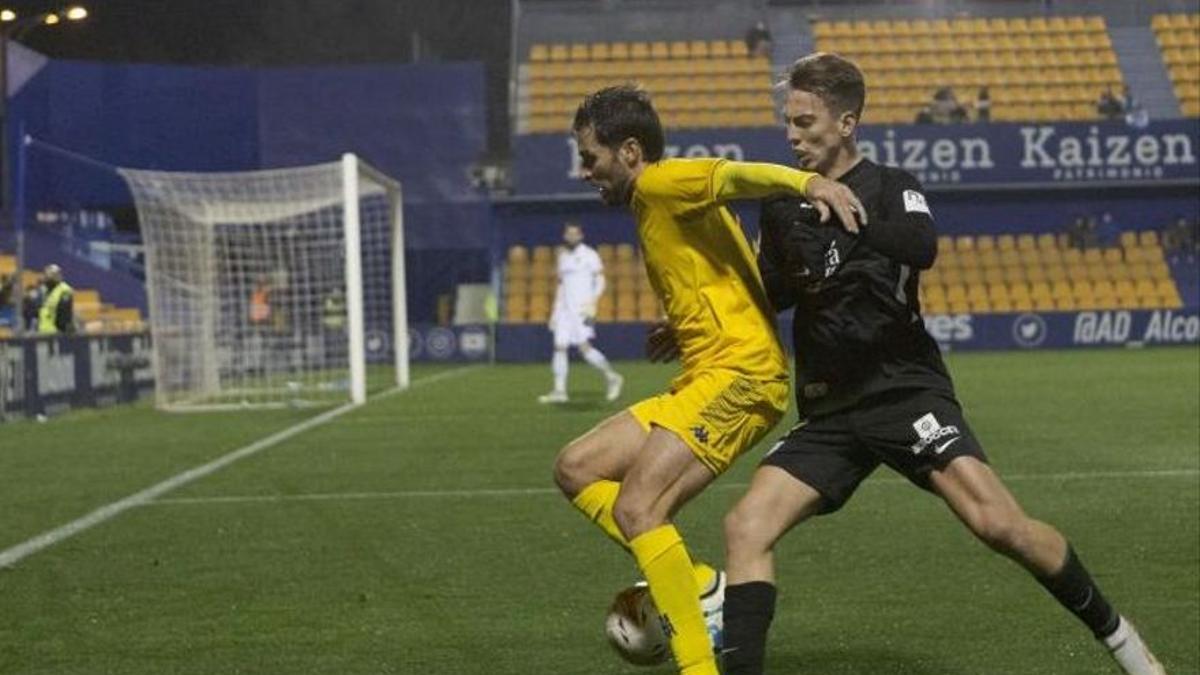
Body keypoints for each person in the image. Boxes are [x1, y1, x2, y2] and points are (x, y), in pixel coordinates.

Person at [680, 53, 1162, 675]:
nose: (792, 135)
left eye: (805, 122)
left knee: (999, 525)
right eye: (789, 123)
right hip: (829, 406)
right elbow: (774, 293)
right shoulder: (781, 204)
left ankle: (1125, 643)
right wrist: (701, 313)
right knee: (746, 526)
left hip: (903, 390)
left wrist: (852, 222)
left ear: (847, 122)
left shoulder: (891, 185)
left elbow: (921, 246)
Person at [552, 85, 864, 675]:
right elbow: (730, 259)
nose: (585, 171)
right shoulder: (656, 203)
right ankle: (696, 584)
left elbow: (735, 176)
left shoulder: (663, 182)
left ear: (629, 152)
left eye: (590, 158)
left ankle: (699, 665)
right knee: (577, 467)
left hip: (741, 377)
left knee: (639, 509)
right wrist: (684, 321)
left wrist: (810, 183)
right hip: (708, 372)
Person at [538, 221, 624, 404]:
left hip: (582, 310)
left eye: (575, 234)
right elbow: (561, 286)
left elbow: (601, 280)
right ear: (565, 236)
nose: (572, 237)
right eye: (569, 234)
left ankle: (612, 377)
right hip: (564, 311)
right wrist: (555, 312)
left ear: (581, 235)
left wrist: (592, 302)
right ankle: (560, 391)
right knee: (559, 347)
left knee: (584, 348)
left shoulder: (589, 255)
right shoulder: (562, 257)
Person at [37, 264, 74, 335]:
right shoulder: (45, 291)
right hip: (43, 332)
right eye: (46, 274)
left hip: (56, 333)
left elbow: (64, 313)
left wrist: (61, 331)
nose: (47, 277)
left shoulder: (64, 290)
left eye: (50, 275)